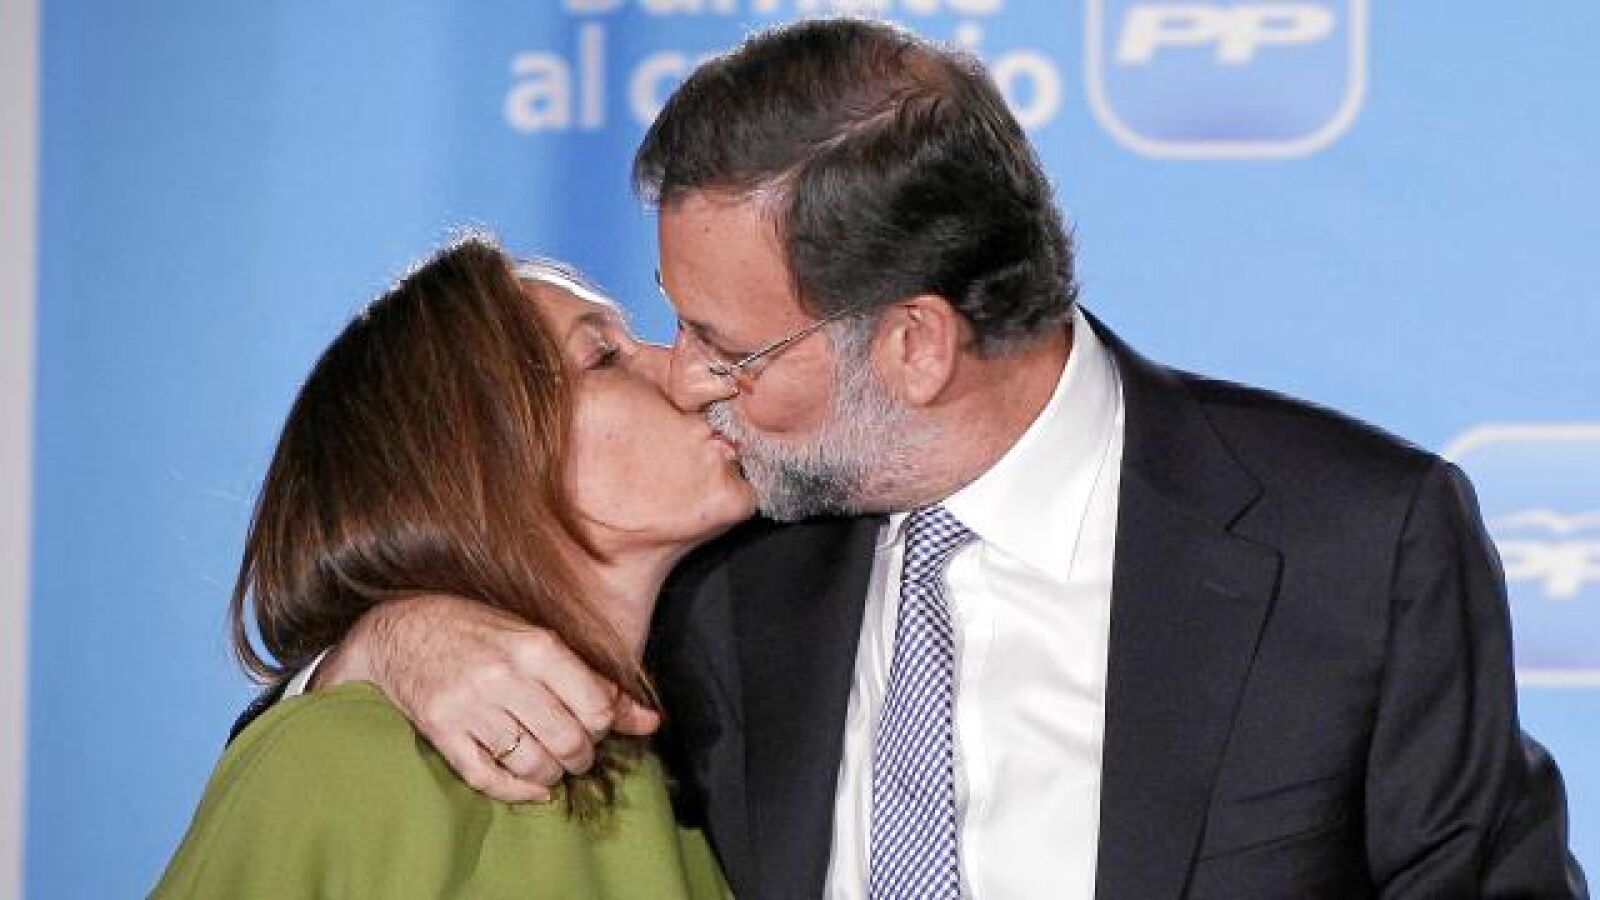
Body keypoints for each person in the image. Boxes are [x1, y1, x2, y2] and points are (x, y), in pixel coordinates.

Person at [248, 19, 1587, 899]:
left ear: (913, 347)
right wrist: (386, 642)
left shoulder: (1353, 542)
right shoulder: (721, 561)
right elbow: (306, 811)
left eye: (732, 348)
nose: (691, 377)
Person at [156, 236, 752, 898]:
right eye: (604, 357)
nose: (688, 374)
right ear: (478, 470)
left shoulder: (677, 778)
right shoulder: (336, 765)